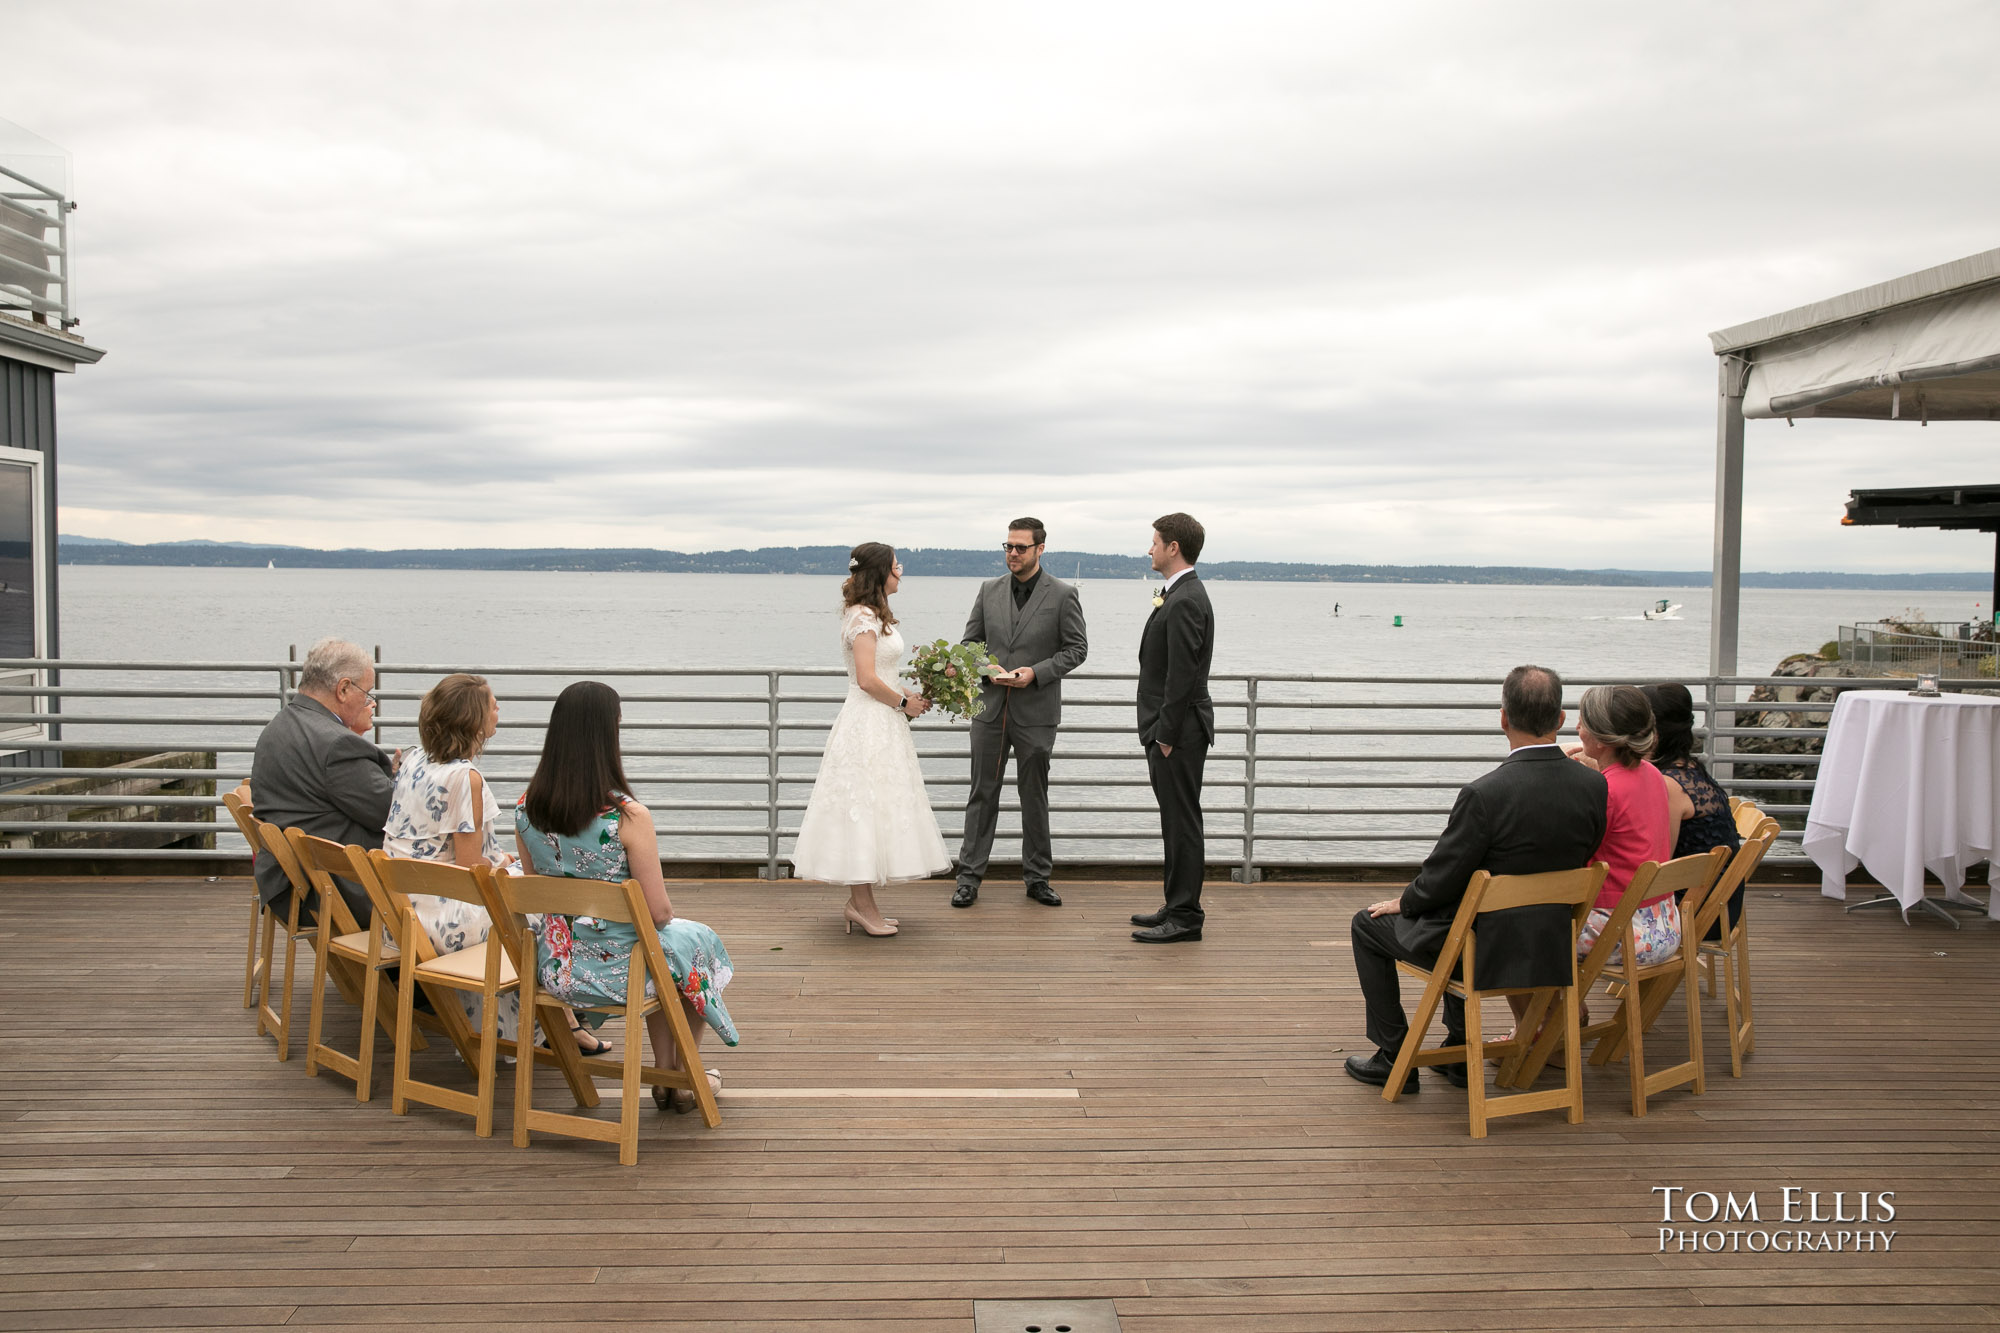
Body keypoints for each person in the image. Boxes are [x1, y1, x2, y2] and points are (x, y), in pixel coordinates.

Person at [1344, 665, 1607, 1096]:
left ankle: (1394, 1056)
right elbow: (1587, 851)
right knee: (1463, 912)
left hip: (1487, 954)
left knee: (1368, 923)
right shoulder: (1594, 785)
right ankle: (1458, 1048)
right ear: (1560, 719)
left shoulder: (1485, 794)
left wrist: (1405, 902)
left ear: (1503, 718)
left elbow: (1442, 876)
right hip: (1550, 944)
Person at [514, 681, 739, 1112]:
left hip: (557, 971)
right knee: (689, 943)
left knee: (666, 948)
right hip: (620, 974)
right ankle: (680, 1077)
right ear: (607, 737)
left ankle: (669, 1075)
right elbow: (658, 913)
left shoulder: (525, 811)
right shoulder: (626, 817)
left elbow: (536, 893)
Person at [382, 674, 602, 1054]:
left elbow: (438, 848)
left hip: (399, 910)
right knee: (546, 911)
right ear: (472, 719)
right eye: (492, 704)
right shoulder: (465, 778)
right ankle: (563, 1023)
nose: (498, 709)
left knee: (526, 888)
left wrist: (503, 860)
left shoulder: (414, 760)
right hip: (440, 918)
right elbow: (471, 870)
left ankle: (557, 1025)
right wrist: (507, 867)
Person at [791, 543, 951, 935]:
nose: (901, 573)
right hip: (867, 724)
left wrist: (911, 695)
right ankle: (861, 905)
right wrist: (902, 702)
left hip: (885, 721)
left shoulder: (875, 615)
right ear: (880, 574)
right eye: (897, 567)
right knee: (860, 808)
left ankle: (862, 903)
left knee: (879, 807)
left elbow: (882, 672)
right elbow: (864, 679)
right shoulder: (863, 617)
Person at [952, 517, 1089, 909]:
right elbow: (969, 645)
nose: (1012, 553)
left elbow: (1076, 649)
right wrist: (986, 668)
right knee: (981, 795)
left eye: (1020, 547)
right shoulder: (988, 590)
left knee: (1035, 797)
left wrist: (1036, 673)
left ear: (1040, 549)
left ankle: (1037, 878)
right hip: (990, 711)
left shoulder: (1064, 595)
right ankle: (968, 879)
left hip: (1037, 712)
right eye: (1008, 546)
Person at [248, 637, 394, 926]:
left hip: (289, 881)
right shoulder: (337, 745)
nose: (370, 702)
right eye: (367, 693)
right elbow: (393, 813)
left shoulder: (279, 725)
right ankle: (415, 970)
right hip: (332, 890)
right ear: (343, 689)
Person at [1130, 513, 1215, 943]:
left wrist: (1164, 735)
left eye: (1155, 542)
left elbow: (1182, 675)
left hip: (1176, 733)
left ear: (1173, 547)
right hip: (1171, 729)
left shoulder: (1185, 599)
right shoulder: (1180, 593)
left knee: (1182, 823)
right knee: (1175, 821)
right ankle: (1177, 903)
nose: (1150, 549)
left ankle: (1185, 918)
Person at [1566, 685, 1679, 968]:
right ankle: (1562, 1005)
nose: (1577, 727)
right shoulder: (1653, 774)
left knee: (1520, 933)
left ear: (1602, 741)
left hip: (1621, 934)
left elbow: (1573, 856)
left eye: (1583, 723)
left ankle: (1558, 1009)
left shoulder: (1605, 791)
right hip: (1663, 925)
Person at [1643, 682, 1744, 936]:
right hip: (1721, 903)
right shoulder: (1689, 769)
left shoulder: (1667, 785)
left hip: (1694, 912)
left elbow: (1658, 864)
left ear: (1651, 733)